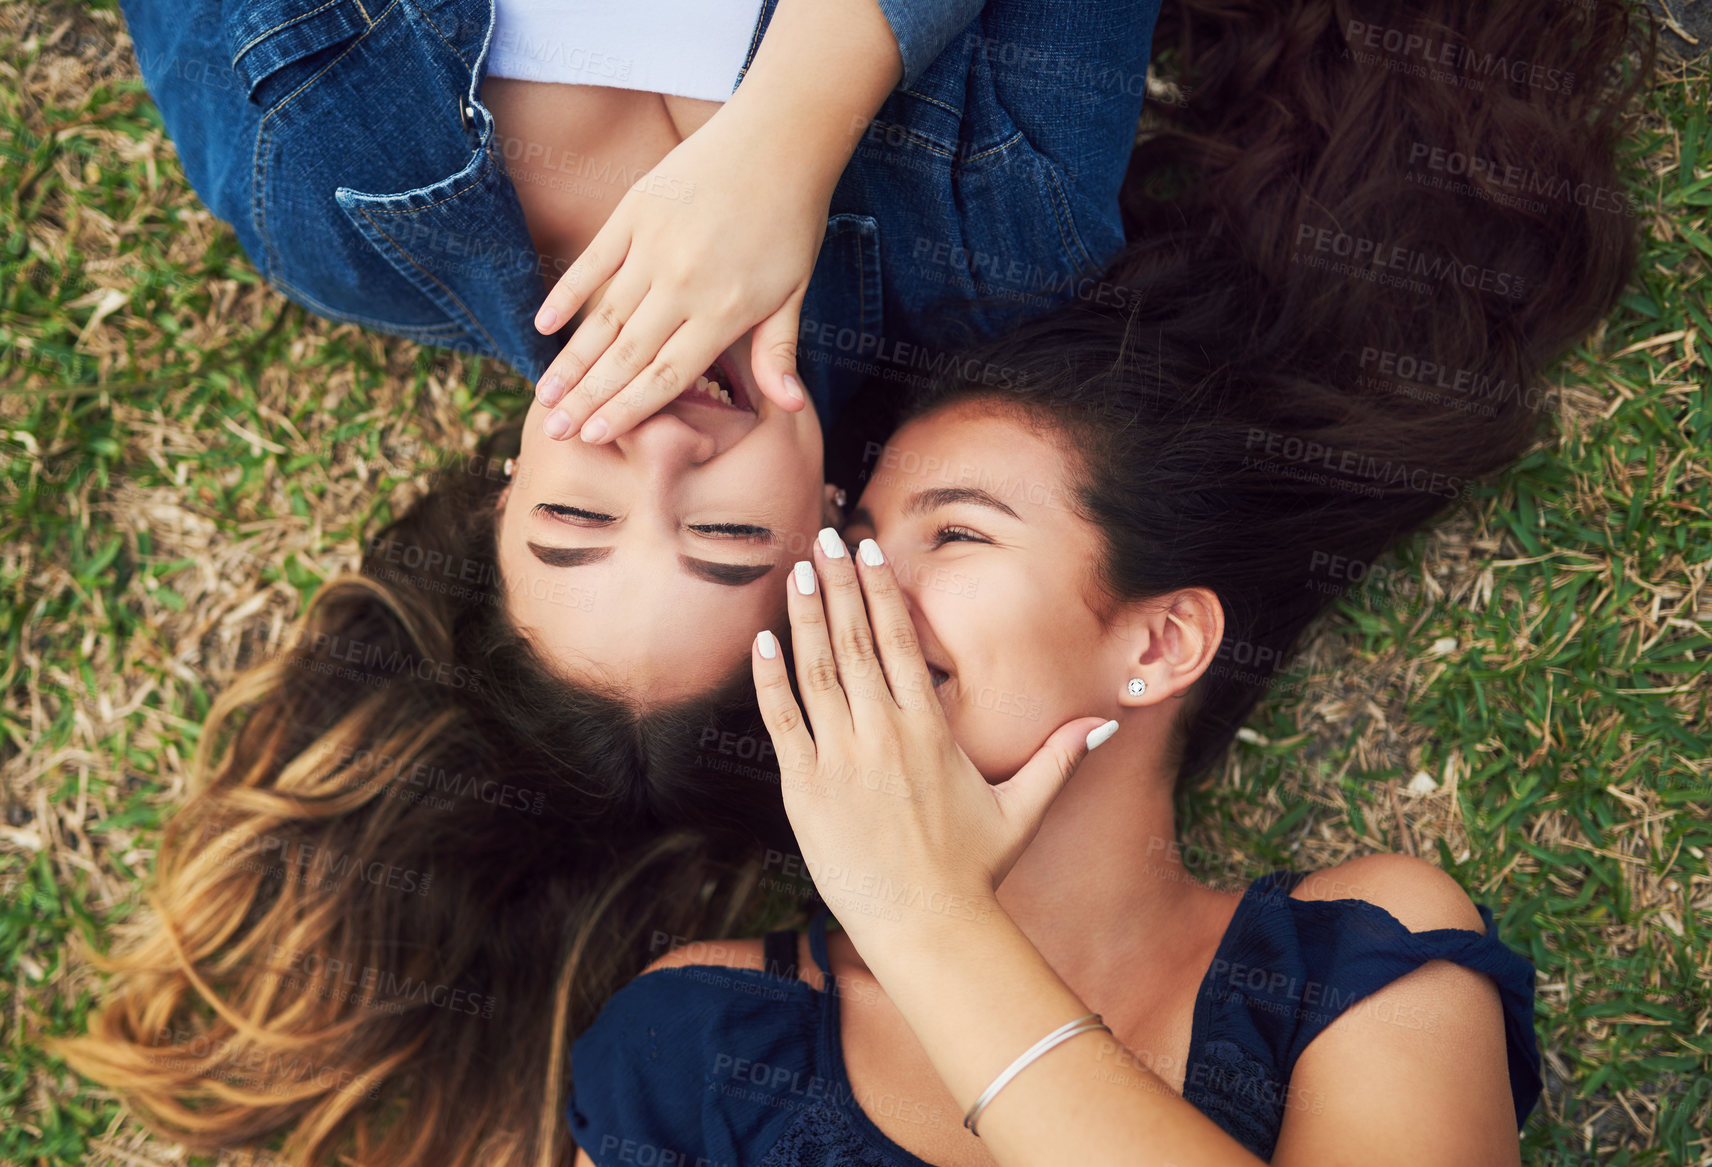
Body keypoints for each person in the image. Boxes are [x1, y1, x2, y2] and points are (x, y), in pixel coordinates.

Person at [59, 1, 1164, 1164]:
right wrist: (792, 127)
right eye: (729, 536)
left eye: (574, 518)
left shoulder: (326, 197)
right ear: (836, 536)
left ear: (502, 496)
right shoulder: (994, 243)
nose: (659, 446)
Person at [559, 0, 1654, 1162]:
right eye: (861, 539)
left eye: (959, 535)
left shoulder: (1357, 962)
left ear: (1158, 643)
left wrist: (922, 917)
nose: (866, 590)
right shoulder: (696, 1046)